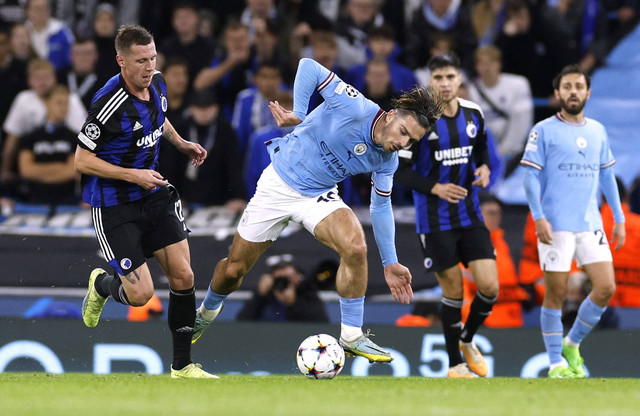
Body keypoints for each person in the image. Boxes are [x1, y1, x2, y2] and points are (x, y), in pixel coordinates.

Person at [192, 57, 443, 364]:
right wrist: (299, 112)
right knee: (233, 271)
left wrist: (390, 262)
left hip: (319, 195)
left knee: (355, 246)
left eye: (411, 140)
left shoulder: (387, 160)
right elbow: (308, 66)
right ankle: (206, 311)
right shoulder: (356, 107)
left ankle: (351, 335)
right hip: (278, 184)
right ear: (391, 116)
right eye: (403, 131)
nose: (401, 142)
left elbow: (381, 207)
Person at [75, 25, 216, 379]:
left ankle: (182, 367)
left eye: (152, 57)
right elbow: (81, 160)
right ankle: (101, 285)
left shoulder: (158, 83)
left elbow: (159, 118)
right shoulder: (108, 104)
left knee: (184, 275)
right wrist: (132, 174)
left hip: (154, 194)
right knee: (140, 294)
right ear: (121, 61)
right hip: (114, 205)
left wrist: (181, 142)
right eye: (140, 60)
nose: (149, 66)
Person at [395, 53, 499, 378]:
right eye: (438, 77)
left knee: (490, 287)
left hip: (469, 214)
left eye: (450, 77)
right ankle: (454, 365)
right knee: (453, 292)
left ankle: (468, 339)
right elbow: (400, 170)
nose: (444, 83)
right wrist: (435, 188)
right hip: (434, 220)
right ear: (431, 81)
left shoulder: (474, 113)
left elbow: (480, 147)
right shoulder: (418, 120)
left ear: (459, 80)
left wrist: (483, 168)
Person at [520, 64, 625, 379]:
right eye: (567, 87)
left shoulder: (597, 130)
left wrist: (618, 218)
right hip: (555, 226)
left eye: (579, 86)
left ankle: (571, 343)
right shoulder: (543, 130)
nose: (573, 92)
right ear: (557, 93)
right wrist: (538, 217)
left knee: (605, 287)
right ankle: (555, 364)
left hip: (590, 224)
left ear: (588, 93)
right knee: (556, 292)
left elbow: (607, 175)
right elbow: (529, 177)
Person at [461, 192, 529, 328]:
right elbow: (462, 291)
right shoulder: (466, 244)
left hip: (513, 321)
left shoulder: (504, 243)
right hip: (485, 324)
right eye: (491, 213)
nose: (496, 218)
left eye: (498, 213)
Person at [17, 84, 78, 205]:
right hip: (34, 201)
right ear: (47, 103)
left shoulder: (75, 138)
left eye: (66, 104)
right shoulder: (30, 138)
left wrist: (39, 171)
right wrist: (60, 168)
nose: (64, 108)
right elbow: (26, 170)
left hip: (68, 201)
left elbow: (71, 171)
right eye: (59, 103)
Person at [237, 259, 329, 322]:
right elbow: (242, 323)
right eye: (280, 278)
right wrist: (260, 295)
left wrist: (293, 303)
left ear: (297, 277)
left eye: (288, 278)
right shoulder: (265, 295)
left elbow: (320, 323)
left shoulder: (307, 294)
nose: (284, 281)